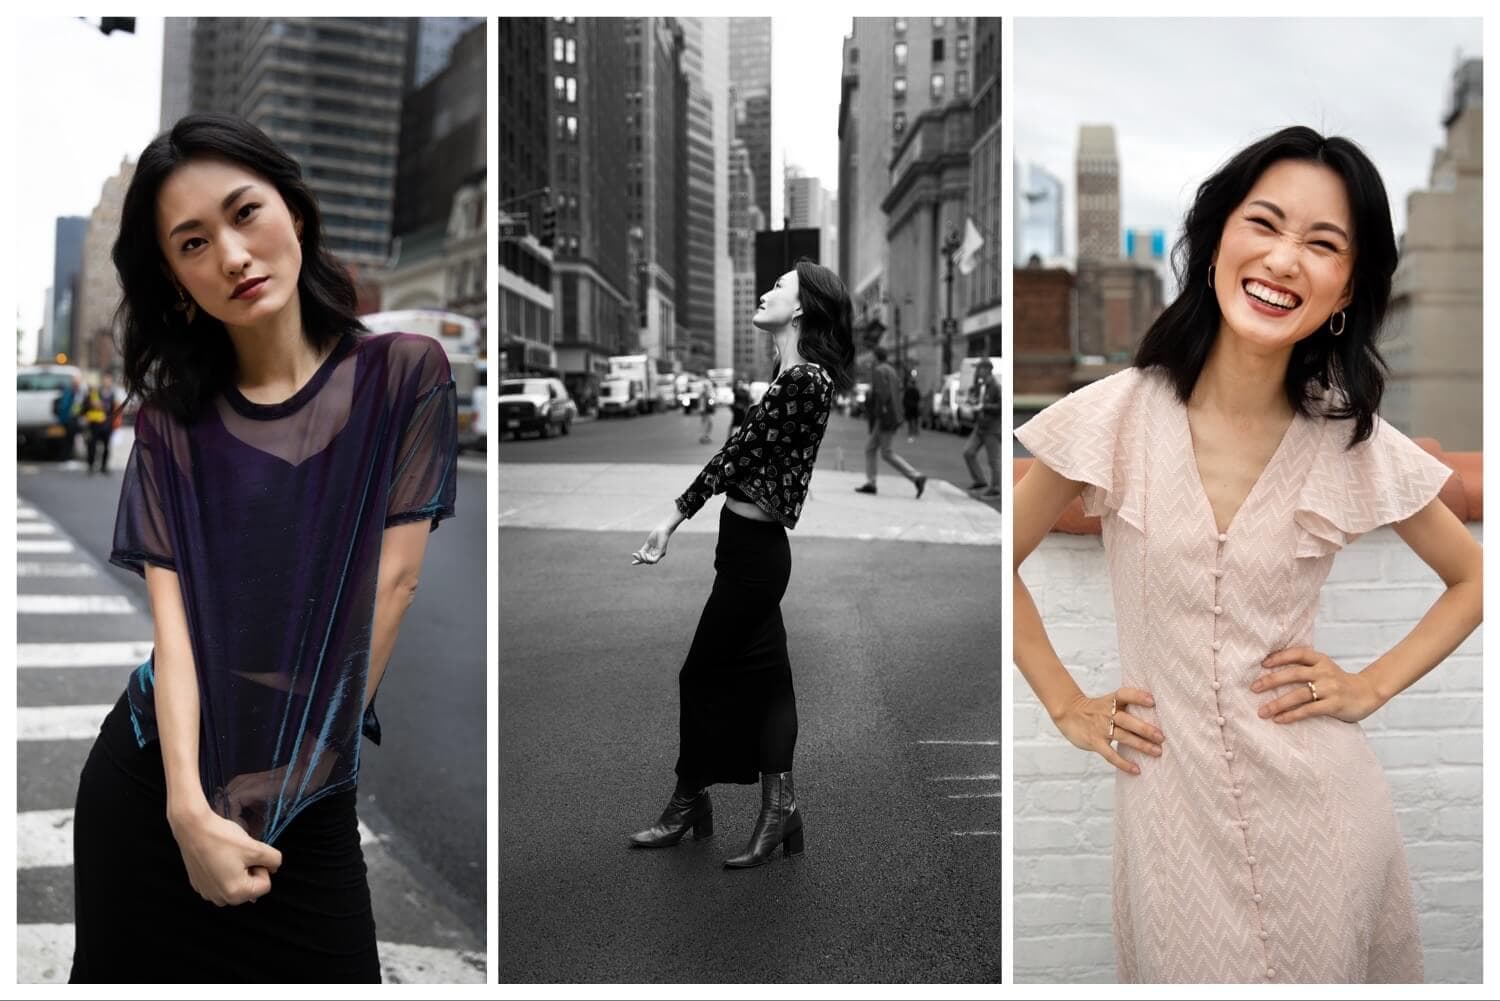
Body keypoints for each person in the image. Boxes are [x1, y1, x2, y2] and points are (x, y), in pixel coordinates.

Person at [1013, 126, 1482, 984]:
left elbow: (1473, 575)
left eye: (1323, 243)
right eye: (1263, 223)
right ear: (1218, 240)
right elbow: (997, 557)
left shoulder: (1350, 439)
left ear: (1346, 288)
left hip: (1324, 828)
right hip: (1170, 834)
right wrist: (1066, 703)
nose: (1284, 258)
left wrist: (1369, 685)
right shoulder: (1114, 415)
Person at [70, 114, 458, 983]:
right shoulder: (172, 420)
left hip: (308, 782)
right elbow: (174, 636)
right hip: (151, 786)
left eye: (246, 214)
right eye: (195, 243)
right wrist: (183, 808)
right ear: (174, 281)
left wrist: (287, 788)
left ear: (296, 212)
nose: (233, 255)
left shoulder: (406, 375)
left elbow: (390, 588)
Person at [628, 259, 854, 869]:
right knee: (771, 679)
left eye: (778, 286)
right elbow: (743, 455)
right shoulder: (787, 374)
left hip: (756, 558)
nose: (764, 292)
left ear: (803, 306)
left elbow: (737, 456)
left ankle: (689, 801)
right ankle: (779, 810)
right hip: (745, 548)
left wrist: (674, 515)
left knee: (699, 675)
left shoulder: (805, 380)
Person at [856, 346, 927, 498]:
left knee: (886, 452)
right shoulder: (892, 370)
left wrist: (880, 412)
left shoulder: (879, 370)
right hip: (892, 415)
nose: (871, 360)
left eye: (872, 357)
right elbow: (898, 389)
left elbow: (883, 394)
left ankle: (915, 476)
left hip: (885, 416)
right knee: (871, 448)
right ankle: (871, 482)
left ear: (876, 357)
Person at [963, 359, 1002, 498]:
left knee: (993, 460)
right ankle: (980, 481)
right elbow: (978, 401)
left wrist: (984, 407)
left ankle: (996, 488)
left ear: (987, 370)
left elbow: (1001, 406)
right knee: (968, 452)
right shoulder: (981, 385)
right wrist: (972, 402)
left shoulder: (996, 387)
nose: (978, 372)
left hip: (992, 428)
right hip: (980, 426)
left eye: (980, 369)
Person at [80, 373, 121, 474]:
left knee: (106, 446)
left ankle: (104, 466)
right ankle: (91, 466)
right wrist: (90, 406)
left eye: (109, 380)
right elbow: (84, 406)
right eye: (105, 379)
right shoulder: (94, 393)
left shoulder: (112, 394)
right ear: (102, 381)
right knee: (92, 445)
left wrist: (114, 422)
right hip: (94, 424)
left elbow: (114, 410)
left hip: (107, 424)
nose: (106, 382)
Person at [902, 375, 921, 442]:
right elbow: (918, 398)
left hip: (909, 407)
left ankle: (911, 430)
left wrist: (905, 406)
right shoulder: (915, 390)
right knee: (915, 419)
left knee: (910, 420)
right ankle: (915, 430)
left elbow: (904, 399)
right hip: (914, 407)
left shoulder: (908, 390)